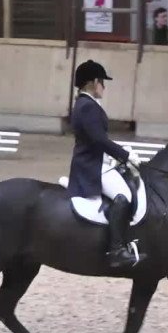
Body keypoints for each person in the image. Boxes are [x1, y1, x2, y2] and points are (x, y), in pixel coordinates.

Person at [68, 60, 146, 268]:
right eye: (102, 81)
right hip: (91, 165)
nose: (104, 86)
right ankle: (116, 251)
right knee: (124, 196)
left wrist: (119, 154)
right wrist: (125, 156)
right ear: (94, 82)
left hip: (96, 160)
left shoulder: (86, 104)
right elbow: (99, 140)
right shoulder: (87, 106)